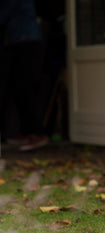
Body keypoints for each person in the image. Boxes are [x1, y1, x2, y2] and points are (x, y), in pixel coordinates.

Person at [0, 0, 49, 151]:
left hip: (26, 42)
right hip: (20, 41)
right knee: (16, 87)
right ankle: (26, 132)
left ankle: (37, 133)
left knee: (24, 88)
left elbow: (2, 15)